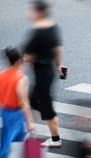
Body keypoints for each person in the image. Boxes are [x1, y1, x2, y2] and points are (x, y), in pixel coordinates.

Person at [23, 0, 65, 148]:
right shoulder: (52, 26)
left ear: (38, 13)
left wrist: (20, 71)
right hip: (48, 71)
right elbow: (58, 48)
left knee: (45, 105)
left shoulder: (38, 32)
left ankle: (55, 139)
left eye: (30, 10)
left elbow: (28, 56)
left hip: (42, 74)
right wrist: (59, 64)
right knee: (33, 100)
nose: (28, 13)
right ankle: (35, 126)